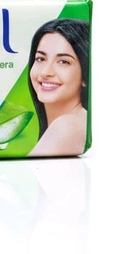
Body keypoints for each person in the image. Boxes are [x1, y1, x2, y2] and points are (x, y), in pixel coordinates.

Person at [27, 18, 89, 157]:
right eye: (41, 59)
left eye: (63, 62)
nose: (46, 72)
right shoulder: (77, 122)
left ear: (85, 75)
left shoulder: (66, 126)